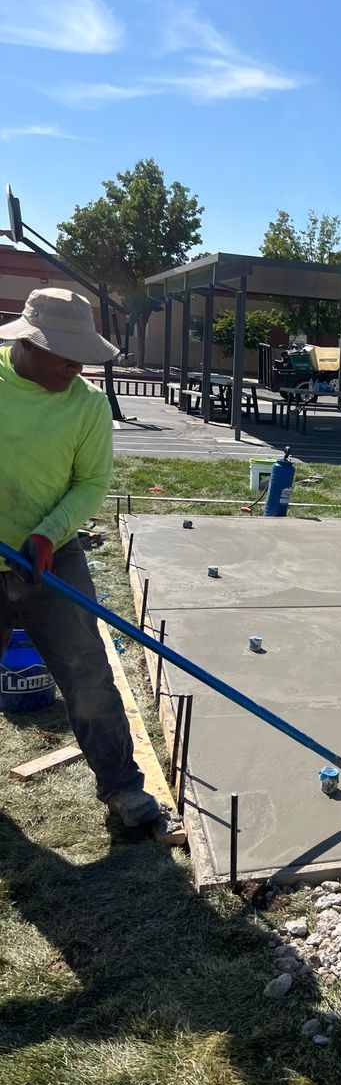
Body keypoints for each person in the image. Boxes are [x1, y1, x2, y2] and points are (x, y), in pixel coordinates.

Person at [0, 288, 163, 832]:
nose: (76, 366)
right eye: (64, 355)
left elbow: (90, 482)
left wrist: (48, 535)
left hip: (52, 555)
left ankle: (122, 786)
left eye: (82, 356)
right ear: (27, 343)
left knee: (87, 672)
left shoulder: (88, 404)